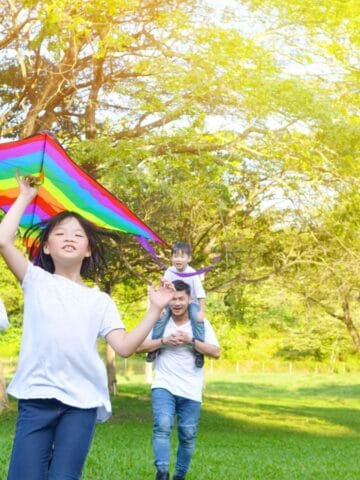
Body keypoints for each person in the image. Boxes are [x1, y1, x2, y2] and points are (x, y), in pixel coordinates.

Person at [0, 173, 176, 480]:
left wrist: (154, 310)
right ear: (46, 248)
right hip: (36, 397)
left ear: (88, 250)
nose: (69, 237)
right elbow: (3, 240)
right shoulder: (36, 281)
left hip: (80, 403)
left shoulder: (100, 301)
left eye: (78, 235)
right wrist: (25, 197)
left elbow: (123, 347)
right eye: (60, 233)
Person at [137, 280, 220, 480]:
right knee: (163, 425)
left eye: (181, 298)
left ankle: (179, 476)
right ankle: (162, 472)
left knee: (187, 434)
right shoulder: (159, 320)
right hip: (164, 384)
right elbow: (138, 346)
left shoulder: (200, 323)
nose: (176, 303)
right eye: (173, 298)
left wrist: (191, 341)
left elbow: (216, 352)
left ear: (189, 299)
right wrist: (164, 342)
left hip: (191, 388)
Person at [146, 242, 206, 367]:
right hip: (171, 301)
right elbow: (164, 289)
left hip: (191, 302)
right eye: (175, 256)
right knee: (160, 318)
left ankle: (199, 351)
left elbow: (200, 294)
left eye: (182, 256)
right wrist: (161, 308)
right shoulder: (169, 271)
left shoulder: (193, 274)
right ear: (171, 258)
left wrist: (201, 311)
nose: (178, 259)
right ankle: (154, 348)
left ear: (189, 258)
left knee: (197, 320)